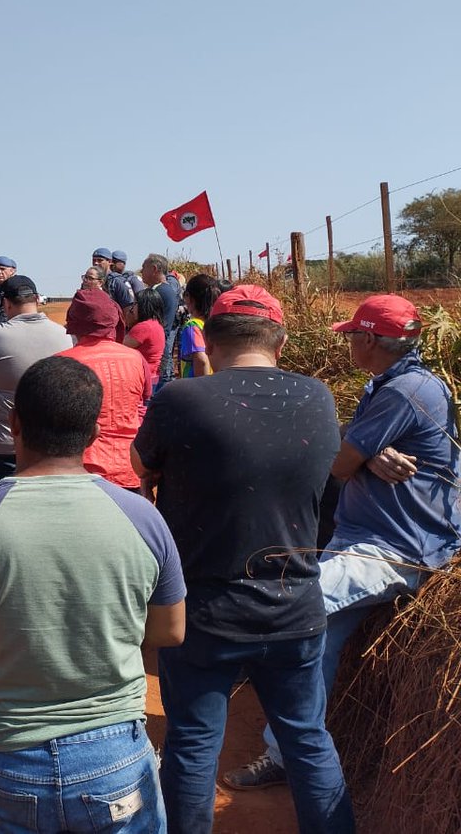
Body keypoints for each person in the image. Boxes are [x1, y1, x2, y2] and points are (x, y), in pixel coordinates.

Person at [0, 355, 186, 834]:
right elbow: (170, 631)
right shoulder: (143, 518)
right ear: (95, 430)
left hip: (7, 755)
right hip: (117, 754)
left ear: (14, 423)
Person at [131, 285, 355, 834]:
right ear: (279, 339)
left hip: (203, 608)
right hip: (295, 604)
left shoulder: (181, 400)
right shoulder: (317, 397)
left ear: (209, 336)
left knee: (191, 740)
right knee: (306, 737)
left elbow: (141, 462)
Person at [224, 294, 461, 792]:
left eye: (353, 334)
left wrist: (358, 455)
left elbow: (335, 463)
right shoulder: (393, 382)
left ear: (372, 339)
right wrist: (365, 453)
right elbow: (348, 453)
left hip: (396, 547)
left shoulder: (405, 391)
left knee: (298, 604)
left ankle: (235, 701)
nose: (349, 341)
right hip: (369, 537)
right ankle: (287, 752)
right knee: (321, 637)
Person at [0, 275, 71, 488]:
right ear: (36, 299)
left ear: (5, 303)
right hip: (49, 445)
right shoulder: (63, 335)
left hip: (1, 445)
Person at [65, 288, 151, 492]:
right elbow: (143, 404)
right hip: (130, 467)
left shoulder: (62, 362)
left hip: (83, 471)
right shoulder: (136, 359)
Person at [139, 254, 179, 388]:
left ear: (154, 269)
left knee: (156, 385)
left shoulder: (157, 291)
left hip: (155, 348)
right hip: (162, 345)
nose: (141, 271)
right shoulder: (167, 289)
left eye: (144, 267)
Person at [177, 273, 221, 378]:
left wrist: (202, 389)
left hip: (198, 386)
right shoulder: (216, 323)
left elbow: (201, 360)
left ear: (189, 297)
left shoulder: (192, 326)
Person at [124, 286, 166, 384]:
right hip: (153, 376)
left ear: (143, 305)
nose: (131, 308)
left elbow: (120, 347)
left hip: (142, 377)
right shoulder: (155, 324)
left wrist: (127, 323)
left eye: (134, 304)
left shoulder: (143, 327)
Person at [93, 247, 135, 328]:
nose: (96, 263)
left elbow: (128, 310)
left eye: (100, 260)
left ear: (109, 262)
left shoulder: (118, 281)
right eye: (94, 260)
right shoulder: (90, 280)